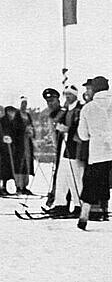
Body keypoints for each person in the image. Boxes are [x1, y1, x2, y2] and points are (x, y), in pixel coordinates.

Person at [77, 76, 112, 230]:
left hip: (98, 153)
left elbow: (83, 135)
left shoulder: (88, 108)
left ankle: (84, 217)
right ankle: (104, 211)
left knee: (91, 183)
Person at [47, 85, 88, 216]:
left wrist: (67, 129)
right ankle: (60, 204)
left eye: (70, 94)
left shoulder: (80, 109)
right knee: (61, 176)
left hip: (75, 147)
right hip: (64, 147)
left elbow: (80, 126)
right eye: (66, 94)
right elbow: (56, 119)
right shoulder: (66, 109)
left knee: (75, 177)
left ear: (75, 95)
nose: (67, 97)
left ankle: (78, 205)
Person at [42, 88, 66, 207]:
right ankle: (55, 199)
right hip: (57, 149)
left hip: (65, 150)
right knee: (57, 175)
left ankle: (59, 201)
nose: (50, 103)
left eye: (52, 100)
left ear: (58, 100)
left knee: (62, 176)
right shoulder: (51, 115)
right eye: (48, 101)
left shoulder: (64, 112)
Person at [16, 97, 35, 194]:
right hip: (19, 143)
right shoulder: (17, 115)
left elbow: (32, 126)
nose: (24, 105)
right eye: (23, 103)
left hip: (27, 142)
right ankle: (19, 186)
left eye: (25, 103)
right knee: (20, 163)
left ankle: (25, 186)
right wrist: (24, 130)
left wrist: (31, 132)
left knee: (27, 163)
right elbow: (15, 128)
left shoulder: (27, 115)